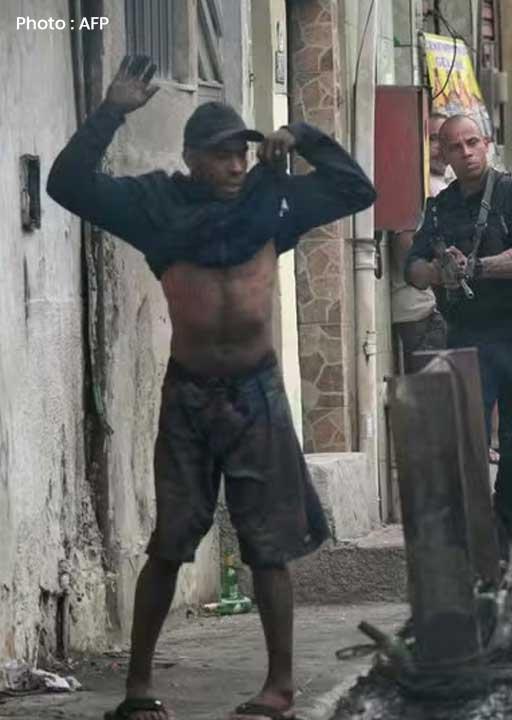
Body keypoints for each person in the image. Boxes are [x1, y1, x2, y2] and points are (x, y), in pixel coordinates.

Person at [46, 56, 376, 720]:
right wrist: (112, 109)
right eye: (222, 155)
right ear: (192, 157)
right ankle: (138, 691)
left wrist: (305, 136)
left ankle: (279, 689)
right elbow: (68, 184)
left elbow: (356, 190)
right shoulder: (154, 205)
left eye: (242, 154)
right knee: (170, 543)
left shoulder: (271, 200)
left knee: (268, 547)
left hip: (257, 394)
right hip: (190, 397)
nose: (235, 165)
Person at [404, 114, 512, 564]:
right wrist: (438, 272)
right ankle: (472, 539)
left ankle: (504, 522)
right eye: (456, 146)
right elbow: (411, 268)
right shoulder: (440, 207)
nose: (466, 152)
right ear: (444, 155)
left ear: (486, 144)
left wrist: (477, 268)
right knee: (463, 438)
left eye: (473, 142)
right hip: (469, 334)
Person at [391, 113, 450, 375]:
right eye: (433, 139)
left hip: (430, 313)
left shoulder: (441, 185)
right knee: (438, 401)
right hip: (421, 312)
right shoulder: (417, 185)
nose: (440, 148)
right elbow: (406, 245)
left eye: (444, 141)